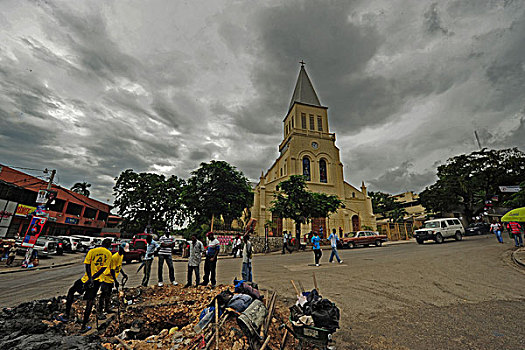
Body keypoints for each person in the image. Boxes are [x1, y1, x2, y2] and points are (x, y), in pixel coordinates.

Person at [57, 238, 112, 332]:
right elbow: (103, 268)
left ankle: (66, 315)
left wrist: (90, 278)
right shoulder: (109, 254)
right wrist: (93, 279)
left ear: (102, 243)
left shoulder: (92, 251)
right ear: (109, 245)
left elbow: (87, 265)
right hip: (97, 281)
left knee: (71, 291)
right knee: (90, 302)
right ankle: (83, 327)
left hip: (86, 279)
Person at [98, 243, 128, 319]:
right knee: (103, 295)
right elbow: (111, 270)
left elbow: (119, 267)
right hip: (106, 278)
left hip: (111, 279)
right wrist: (116, 281)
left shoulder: (121, 256)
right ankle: (100, 312)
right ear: (120, 249)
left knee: (108, 294)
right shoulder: (114, 257)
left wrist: (124, 274)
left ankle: (107, 308)